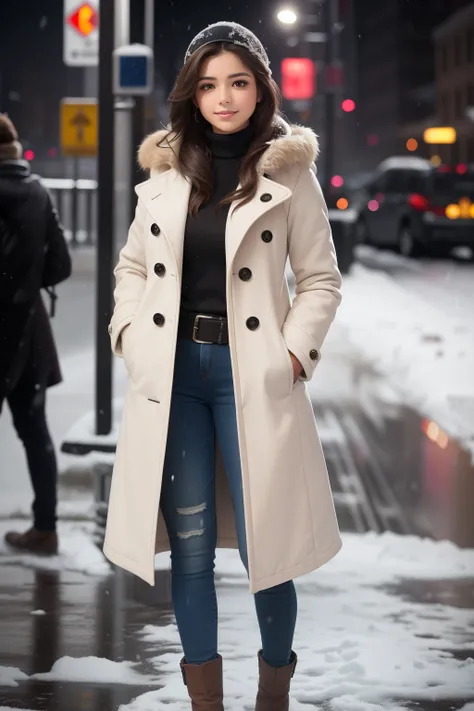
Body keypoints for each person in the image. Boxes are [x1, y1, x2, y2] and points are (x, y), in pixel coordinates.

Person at [104, 21, 342, 711]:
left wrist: (291, 355)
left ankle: (274, 692)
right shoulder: (168, 170)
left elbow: (320, 278)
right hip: (175, 377)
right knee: (192, 544)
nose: (224, 97)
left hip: (253, 378)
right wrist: (128, 333)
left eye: (239, 81)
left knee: (269, 545)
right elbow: (131, 268)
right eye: (209, 84)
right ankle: (205, 701)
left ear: (260, 88)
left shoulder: (288, 170)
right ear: (192, 93)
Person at [0, 113, 71, 556]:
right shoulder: (39, 191)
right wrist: (26, 282)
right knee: (35, 432)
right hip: (27, 333)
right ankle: (46, 527)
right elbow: (60, 266)